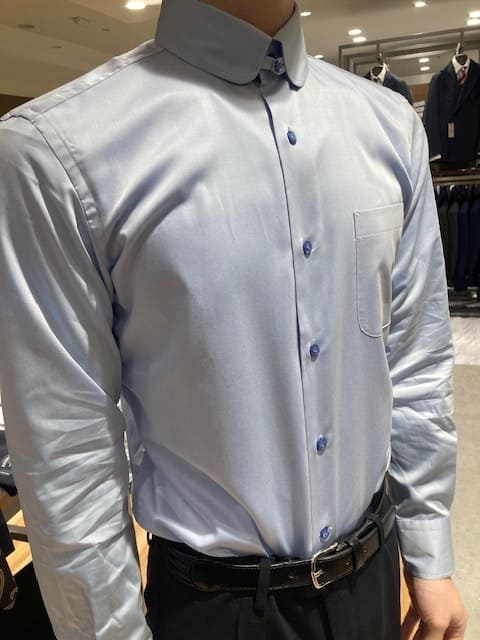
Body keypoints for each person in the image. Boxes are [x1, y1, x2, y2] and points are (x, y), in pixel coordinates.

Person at [0, 0, 468, 639]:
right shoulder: (55, 155)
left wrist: (427, 542)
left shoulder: (389, 126)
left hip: (373, 577)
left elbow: (414, 357)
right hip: (212, 611)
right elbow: (67, 449)